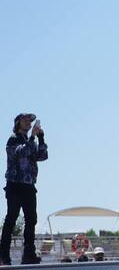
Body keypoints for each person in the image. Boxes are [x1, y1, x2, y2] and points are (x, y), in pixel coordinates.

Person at [1, 114, 48, 266]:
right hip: (15, 185)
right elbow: (22, 152)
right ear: (18, 123)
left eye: (30, 120)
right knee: (11, 219)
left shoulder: (31, 141)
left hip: (28, 185)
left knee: (31, 219)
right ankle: (3, 255)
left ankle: (28, 254)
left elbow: (42, 155)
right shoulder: (13, 139)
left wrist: (40, 138)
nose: (29, 122)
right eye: (26, 120)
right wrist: (33, 138)